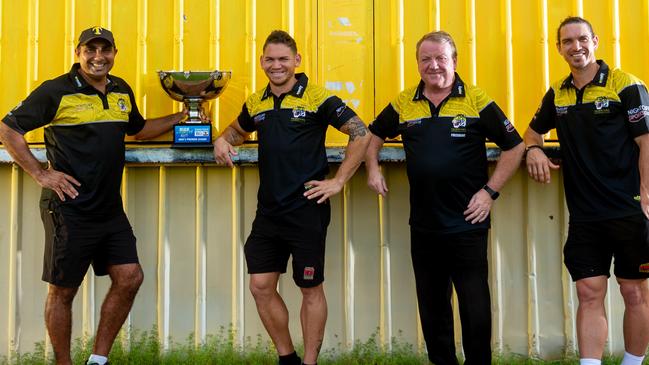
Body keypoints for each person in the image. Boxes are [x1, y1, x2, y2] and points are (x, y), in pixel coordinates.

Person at [0, 26, 187, 365]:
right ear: (78, 53)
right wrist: (40, 173)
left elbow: (138, 130)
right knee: (63, 291)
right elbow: (8, 129)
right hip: (68, 210)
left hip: (110, 210)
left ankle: (98, 360)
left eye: (105, 49)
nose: (98, 56)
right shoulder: (55, 91)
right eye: (91, 49)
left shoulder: (120, 90)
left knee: (130, 278)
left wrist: (185, 115)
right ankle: (63, 362)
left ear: (114, 53)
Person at [365, 31, 524, 364]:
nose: (433, 65)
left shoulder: (477, 100)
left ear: (454, 61)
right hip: (424, 225)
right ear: (417, 63)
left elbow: (516, 146)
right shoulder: (404, 101)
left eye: (440, 58)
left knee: (474, 304)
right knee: (433, 305)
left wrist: (490, 192)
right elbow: (375, 134)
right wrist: (372, 170)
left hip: (468, 221)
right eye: (425, 59)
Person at [213, 30, 370, 365]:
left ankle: (310, 361)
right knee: (260, 286)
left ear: (297, 61)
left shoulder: (317, 97)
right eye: (270, 59)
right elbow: (237, 131)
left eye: (283, 59)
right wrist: (222, 140)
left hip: (307, 210)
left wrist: (338, 181)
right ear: (262, 62)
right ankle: (288, 358)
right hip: (269, 212)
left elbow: (361, 132)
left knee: (309, 288)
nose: (276, 65)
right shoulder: (257, 101)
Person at [524, 16, 649, 365]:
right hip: (585, 216)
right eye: (567, 41)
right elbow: (531, 133)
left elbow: (647, 140)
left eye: (582, 39)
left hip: (630, 209)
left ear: (595, 41)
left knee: (634, 291)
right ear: (559, 48)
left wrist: (647, 191)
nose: (575, 46)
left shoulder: (626, 85)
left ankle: (632, 363)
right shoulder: (559, 92)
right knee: (588, 292)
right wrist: (534, 150)